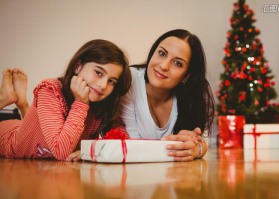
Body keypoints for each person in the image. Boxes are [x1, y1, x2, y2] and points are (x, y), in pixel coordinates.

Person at [0, 39, 131, 161]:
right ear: (77, 66)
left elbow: (122, 137)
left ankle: (23, 104)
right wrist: (80, 103)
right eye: (98, 72)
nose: (103, 85)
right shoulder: (50, 89)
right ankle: (5, 99)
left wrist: (94, 151)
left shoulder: (103, 105)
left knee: (34, 126)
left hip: (32, 134)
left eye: (111, 81)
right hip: (7, 138)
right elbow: (60, 151)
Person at [119, 29, 215, 161]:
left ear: (186, 76)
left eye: (177, 63)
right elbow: (133, 145)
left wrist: (194, 149)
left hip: (174, 177)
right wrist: (172, 145)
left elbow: (203, 141)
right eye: (162, 53)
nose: (164, 66)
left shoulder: (192, 95)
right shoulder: (130, 80)